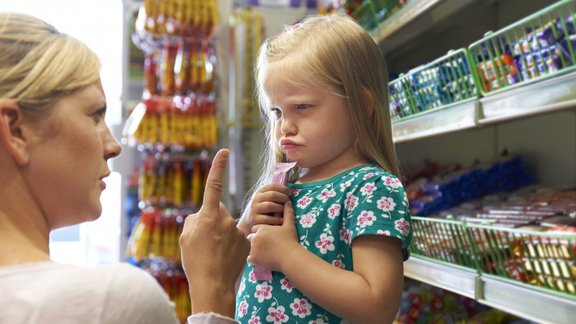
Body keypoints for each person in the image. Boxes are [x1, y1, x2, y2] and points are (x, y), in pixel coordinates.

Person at [0, 12, 247, 324]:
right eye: (93, 115)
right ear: (16, 130)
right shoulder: (108, 301)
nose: (114, 145)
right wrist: (215, 290)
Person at [235, 13, 412, 323]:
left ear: (362, 106)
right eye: (276, 111)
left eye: (303, 107)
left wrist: (287, 256)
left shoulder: (371, 188)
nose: (284, 126)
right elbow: (233, 269)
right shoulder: (288, 184)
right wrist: (246, 224)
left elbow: (377, 305)